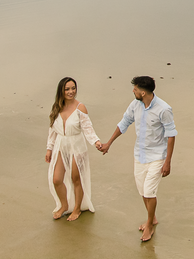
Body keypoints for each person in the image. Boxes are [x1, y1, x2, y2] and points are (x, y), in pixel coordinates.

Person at [99, 76, 177, 242]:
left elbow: (171, 135)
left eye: (134, 89)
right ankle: (152, 218)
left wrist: (168, 162)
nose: (132, 91)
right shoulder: (135, 105)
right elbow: (124, 123)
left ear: (143, 92)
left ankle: (149, 225)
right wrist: (109, 143)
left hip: (157, 157)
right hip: (139, 155)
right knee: (142, 191)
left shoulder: (164, 109)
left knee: (149, 191)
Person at [46, 77, 104, 221]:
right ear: (61, 91)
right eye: (67, 89)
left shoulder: (80, 108)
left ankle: (77, 209)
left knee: (75, 178)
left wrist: (96, 141)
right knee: (56, 179)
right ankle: (64, 205)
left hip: (77, 145)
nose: (71, 91)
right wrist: (49, 149)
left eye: (73, 88)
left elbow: (87, 128)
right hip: (61, 145)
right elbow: (52, 130)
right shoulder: (57, 107)